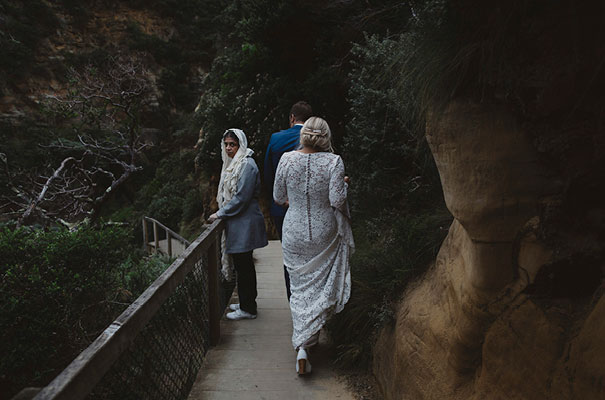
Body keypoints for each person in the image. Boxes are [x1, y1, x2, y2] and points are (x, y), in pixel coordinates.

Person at [273, 117, 354, 375]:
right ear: (326, 136)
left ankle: (303, 347)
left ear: (304, 135)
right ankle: (308, 341)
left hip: (294, 231)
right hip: (323, 231)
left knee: (299, 288)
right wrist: (344, 185)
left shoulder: (286, 159)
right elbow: (337, 200)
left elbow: (277, 197)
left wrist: (295, 199)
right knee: (319, 286)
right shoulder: (334, 162)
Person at [209, 129, 268, 320]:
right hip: (239, 223)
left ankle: (248, 308)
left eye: (232, 144)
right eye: (226, 144)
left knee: (244, 267)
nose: (228, 148)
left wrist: (220, 213)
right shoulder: (234, 164)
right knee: (243, 266)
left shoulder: (247, 165)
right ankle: (245, 303)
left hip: (246, 223)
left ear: (240, 145)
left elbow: (242, 197)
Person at [264, 101, 313, 301]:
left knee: (289, 256)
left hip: (282, 207)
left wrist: (277, 198)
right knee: (311, 255)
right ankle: (310, 299)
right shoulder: (317, 139)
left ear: (292, 118)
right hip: (311, 207)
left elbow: (268, 175)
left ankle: (293, 299)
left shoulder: (276, 139)